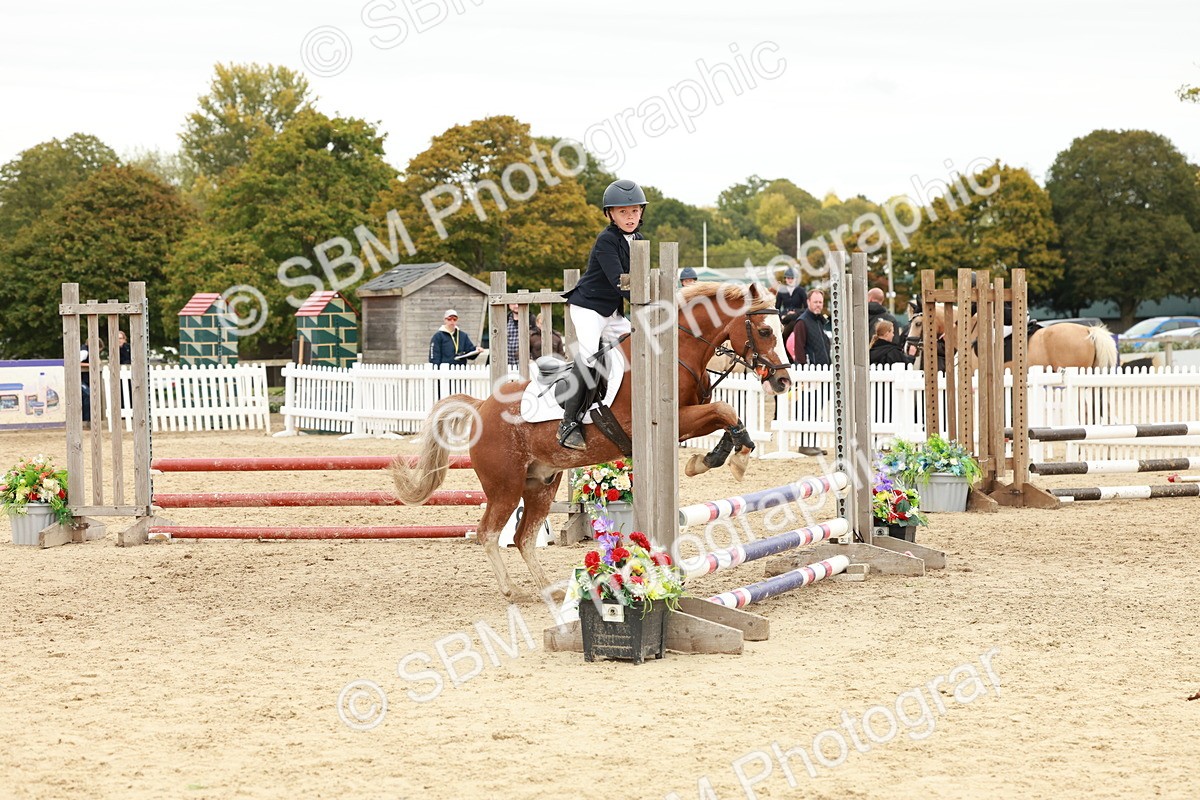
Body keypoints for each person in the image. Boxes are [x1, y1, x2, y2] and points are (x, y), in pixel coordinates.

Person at [558, 178, 647, 449]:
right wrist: (647, 305)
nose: (630, 217)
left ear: (641, 212)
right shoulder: (606, 240)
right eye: (623, 211)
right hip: (588, 307)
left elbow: (642, 279)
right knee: (589, 356)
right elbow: (620, 282)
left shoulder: (639, 240)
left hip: (611, 312)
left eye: (634, 211)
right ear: (610, 214)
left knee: (640, 346)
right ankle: (568, 422)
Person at [785, 290, 831, 366]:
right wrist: (804, 370)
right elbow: (799, 351)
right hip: (810, 371)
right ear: (808, 302)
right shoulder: (801, 322)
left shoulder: (821, 321)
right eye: (815, 302)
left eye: (820, 302)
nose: (818, 305)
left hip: (825, 370)